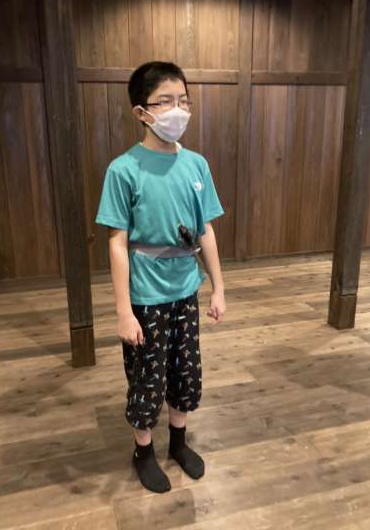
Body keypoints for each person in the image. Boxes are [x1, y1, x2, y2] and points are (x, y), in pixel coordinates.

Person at [95, 61, 226, 493]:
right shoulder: (123, 170)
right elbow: (117, 242)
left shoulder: (197, 165)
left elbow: (205, 230)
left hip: (185, 289)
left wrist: (218, 287)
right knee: (147, 377)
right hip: (145, 296)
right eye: (165, 101)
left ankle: (179, 443)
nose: (178, 110)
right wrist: (122, 311)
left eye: (184, 101)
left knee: (186, 371)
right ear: (141, 112)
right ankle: (144, 451)